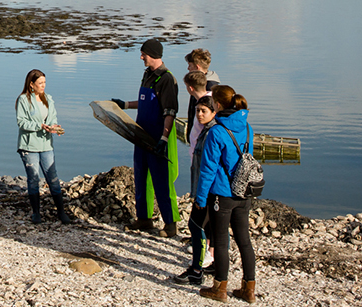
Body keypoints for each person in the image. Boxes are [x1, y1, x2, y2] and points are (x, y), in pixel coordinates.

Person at [110, 38, 180, 237]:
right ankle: (144, 219)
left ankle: (170, 224)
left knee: (162, 180)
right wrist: (125, 105)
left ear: (154, 55)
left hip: (159, 137)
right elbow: (145, 102)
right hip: (141, 135)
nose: (141, 57)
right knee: (141, 176)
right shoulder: (147, 75)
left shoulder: (167, 79)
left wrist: (164, 139)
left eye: (144, 54)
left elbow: (169, 112)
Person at [195, 85, 257, 303]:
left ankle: (219, 288)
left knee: (220, 241)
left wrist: (201, 198)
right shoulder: (247, 127)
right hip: (244, 193)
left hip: (222, 194)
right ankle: (249, 289)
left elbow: (208, 169)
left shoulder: (217, 132)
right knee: (244, 241)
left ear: (218, 105)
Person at [172, 95, 219, 285]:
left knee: (196, 226)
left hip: (208, 190)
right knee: (212, 228)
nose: (199, 115)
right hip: (209, 189)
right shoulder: (208, 130)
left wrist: (201, 196)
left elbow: (209, 168)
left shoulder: (211, 133)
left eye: (203, 111)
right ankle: (213, 266)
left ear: (214, 112)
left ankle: (196, 270)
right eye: (197, 111)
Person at [15, 69, 71, 225]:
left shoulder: (49, 99)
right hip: (29, 146)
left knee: (53, 178)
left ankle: (61, 212)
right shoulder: (23, 100)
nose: (43, 86)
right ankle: (36, 213)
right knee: (33, 179)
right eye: (40, 83)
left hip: (46, 145)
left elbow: (52, 117)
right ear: (31, 84)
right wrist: (40, 126)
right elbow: (21, 122)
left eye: (45, 82)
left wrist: (54, 127)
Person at [185, 48, 220, 143]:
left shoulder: (209, 87)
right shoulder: (198, 82)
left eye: (190, 65)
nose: (188, 68)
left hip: (203, 139)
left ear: (197, 67)